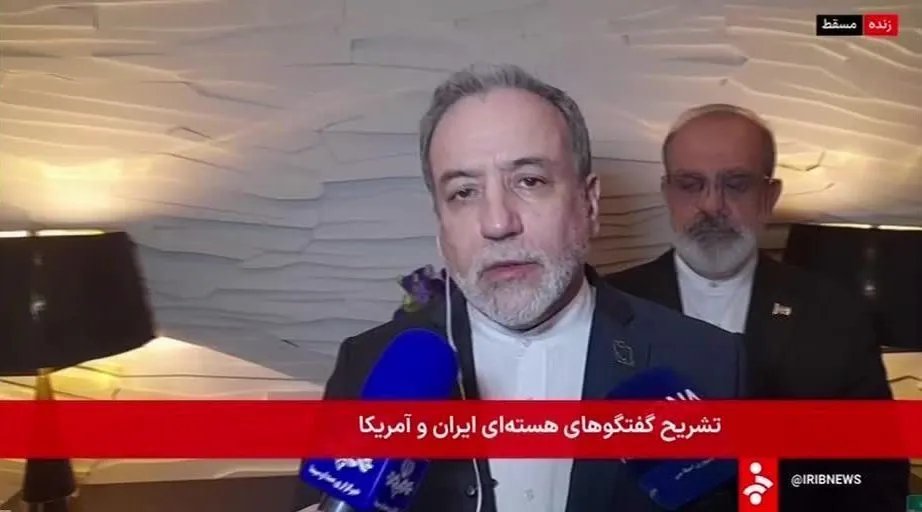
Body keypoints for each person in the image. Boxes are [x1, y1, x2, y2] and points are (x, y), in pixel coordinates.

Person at [295, 66, 746, 512]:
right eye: (463, 192)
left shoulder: (708, 363)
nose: (497, 223)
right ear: (440, 224)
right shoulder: (365, 365)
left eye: (530, 181)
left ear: (588, 205)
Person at [606, 103, 909, 511]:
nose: (712, 205)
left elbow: (875, 476)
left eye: (736, 184)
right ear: (667, 193)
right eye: (691, 184)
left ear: (769, 196)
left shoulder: (835, 314)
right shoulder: (608, 306)